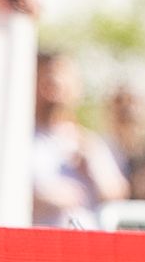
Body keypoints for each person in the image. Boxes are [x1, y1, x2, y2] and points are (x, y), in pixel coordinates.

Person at [29, 50, 128, 226]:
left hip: (83, 246)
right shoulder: (18, 141)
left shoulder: (89, 142)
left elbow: (117, 195)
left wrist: (94, 170)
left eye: (62, 79)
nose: (55, 86)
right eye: (47, 78)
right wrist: (41, 197)